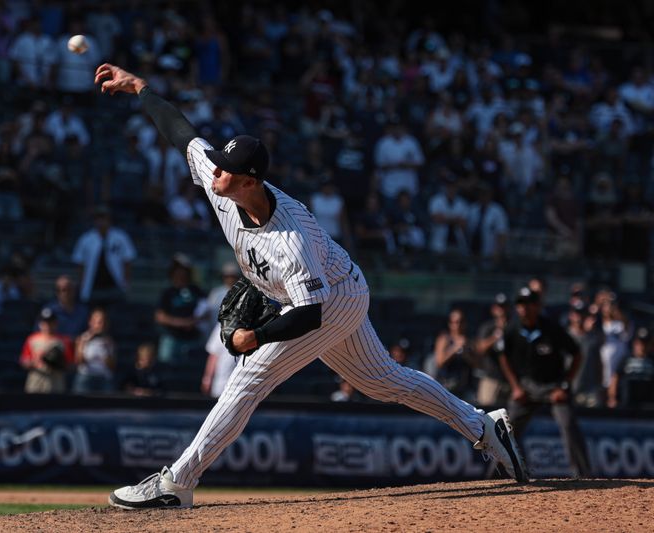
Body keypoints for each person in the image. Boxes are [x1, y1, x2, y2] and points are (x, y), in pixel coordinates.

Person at [94, 63, 528, 510]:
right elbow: (181, 133)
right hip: (324, 290)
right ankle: (483, 426)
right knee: (384, 381)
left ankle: (177, 483)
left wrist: (257, 335)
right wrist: (140, 87)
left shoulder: (291, 237)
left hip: (331, 297)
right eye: (217, 165)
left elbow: (311, 313)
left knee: (251, 375)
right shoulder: (224, 182)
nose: (213, 172)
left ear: (249, 181)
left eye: (225, 170)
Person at [498, 286, 591, 478]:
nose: (524, 308)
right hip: (526, 387)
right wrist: (515, 387)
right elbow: (503, 356)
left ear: (537, 306)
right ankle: (495, 478)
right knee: (505, 427)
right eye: (521, 304)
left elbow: (577, 353)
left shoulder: (551, 328)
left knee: (568, 424)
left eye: (529, 304)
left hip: (553, 386)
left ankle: (583, 476)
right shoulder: (513, 329)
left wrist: (564, 385)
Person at [72, 205, 137, 305]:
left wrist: (126, 283)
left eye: (104, 217)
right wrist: (82, 285)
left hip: (115, 287)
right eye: (98, 217)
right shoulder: (86, 239)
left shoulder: (121, 237)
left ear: (110, 219)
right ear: (94, 220)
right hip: (93, 288)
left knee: (115, 317)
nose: (101, 221)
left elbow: (128, 261)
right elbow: (80, 265)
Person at [154, 253, 207, 363]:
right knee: (166, 366)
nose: (180, 273)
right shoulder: (168, 292)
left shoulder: (196, 290)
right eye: (177, 270)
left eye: (183, 270)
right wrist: (182, 323)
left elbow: (207, 312)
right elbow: (160, 316)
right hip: (172, 337)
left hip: (193, 337)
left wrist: (193, 322)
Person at [19, 307, 74, 393]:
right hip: (37, 378)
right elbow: (23, 361)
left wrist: (59, 363)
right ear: (40, 324)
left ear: (55, 323)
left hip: (55, 380)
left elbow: (70, 364)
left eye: (50, 322)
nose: (47, 326)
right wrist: (36, 361)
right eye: (44, 323)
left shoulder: (63, 341)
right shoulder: (32, 339)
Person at [72, 308, 116, 394]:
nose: (101, 325)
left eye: (103, 322)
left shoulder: (109, 341)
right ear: (91, 322)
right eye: (98, 322)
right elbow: (78, 361)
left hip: (104, 378)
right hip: (86, 376)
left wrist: (106, 350)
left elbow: (112, 367)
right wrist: (82, 346)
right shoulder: (82, 338)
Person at [200, 322, 238, 398]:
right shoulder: (224, 324)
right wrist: (207, 378)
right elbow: (214, 353)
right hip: (222, 383)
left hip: (246, 384)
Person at [46, 275, 89, 339]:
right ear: (57, 292)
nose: (66, 293)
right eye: (63, 290)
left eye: (69, 289)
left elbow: (89, 332)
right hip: (55, 345)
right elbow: (39, 333)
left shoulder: (83, 312)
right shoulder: (49, 311)